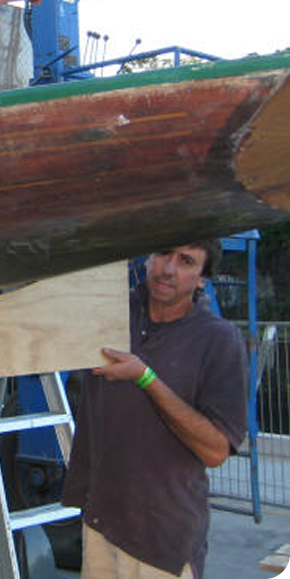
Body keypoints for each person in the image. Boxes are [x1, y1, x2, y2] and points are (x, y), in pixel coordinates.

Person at [61, 241, 248, 579]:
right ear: (147, 257)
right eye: (163, 253)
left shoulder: (218, 340)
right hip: (100, 522)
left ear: (202, 278)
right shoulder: (109, 313)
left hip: (161, 540)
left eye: (186, 261)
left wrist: (145, 378)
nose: (168, 269)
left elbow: (216, 451)